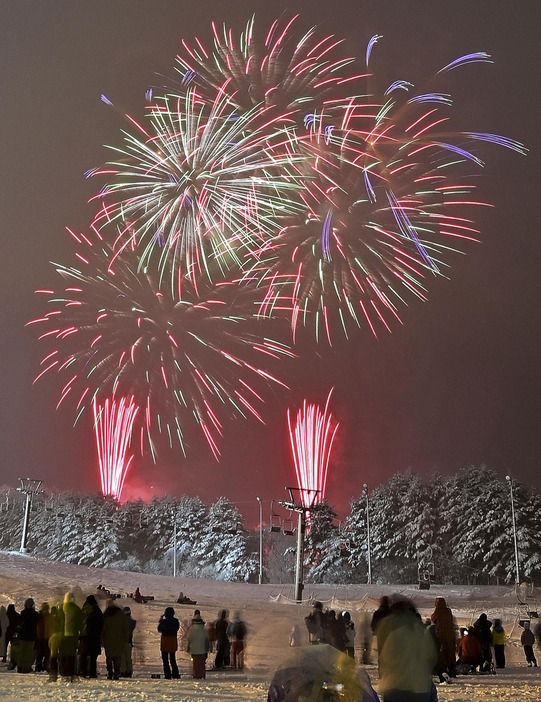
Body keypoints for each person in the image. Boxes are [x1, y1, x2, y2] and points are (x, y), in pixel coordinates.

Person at [376, 596, 437, 702]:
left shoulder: (392, 633)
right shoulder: (422, 633)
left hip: (394, 687)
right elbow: (431, 657)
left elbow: (385, 660)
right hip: (419, 688)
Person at [430, 596, 456, 682]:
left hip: (440, 636)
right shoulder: (448, 611)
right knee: (450, 652)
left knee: (442, 654)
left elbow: (433, 619)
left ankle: (443, 671)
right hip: (450, 635)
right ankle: (452, 668)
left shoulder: (437, 611)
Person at [102, 599, 129, 680]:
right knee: (117, 656)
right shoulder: (120, 614)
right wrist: (126, 638)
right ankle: (117, 673)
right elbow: (125, 627)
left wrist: (102, 639)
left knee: (109, 657)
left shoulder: (105, 615)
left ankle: (110, 673)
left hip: (108, 639)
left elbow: (103, 629)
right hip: (119, 638)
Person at [78, 595, 103, 678]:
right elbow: (101, 624)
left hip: (84, 636)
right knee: (93, 657)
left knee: (83, 655)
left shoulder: (84, 610)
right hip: (95, 636)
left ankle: (83, 672)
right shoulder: (98, 611)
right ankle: (92, 672)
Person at [62, 592, 82, 680]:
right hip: (73, 634)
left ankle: (63, 670)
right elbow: (80, 622)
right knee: (72, 654)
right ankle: (72, 671)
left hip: (63, 635)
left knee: (64, 654)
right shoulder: (76, 609)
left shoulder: (62, 608)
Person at [17, 598, 39, 673]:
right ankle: (26, 668)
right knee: (28, 653)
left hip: (23, 636)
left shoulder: (23, 613)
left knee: (22, 652)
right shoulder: (35, 614)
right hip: (31, 636)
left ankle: (19, 667)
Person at [157, 607, 180, 679]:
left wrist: (160, 621)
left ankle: (167, 675)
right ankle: (175, 674)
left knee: (165, 660)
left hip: (165, 642)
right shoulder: (176, 621)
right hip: (173, 641)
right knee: (173, 660)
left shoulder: (163, 622)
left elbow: (159, 629)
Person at [187, 609, 209, 679]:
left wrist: (188, 647)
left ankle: (196, 674)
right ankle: (202, 674)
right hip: (202, 649)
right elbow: (206, 639)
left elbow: (189, 638)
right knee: (202, 663)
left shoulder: (191, 629)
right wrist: (207, 648)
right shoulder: (204, 629)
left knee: (195, 663)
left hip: (194, 649)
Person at [48, 604, 65, 682]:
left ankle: (53, 673)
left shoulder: (53, 618)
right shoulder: (64, 617)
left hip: (54, 637)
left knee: (53, 657)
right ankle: (62, 672)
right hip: (62, 636)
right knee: (62, 656)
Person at [35, 602, 51, 672]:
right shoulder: (49, 616)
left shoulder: (39, 616)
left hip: (40, 636)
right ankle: (45, 665)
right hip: (46, 636)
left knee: (40, 653)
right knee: (47, 652)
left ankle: (38, 665)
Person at [121, 606, 136, 677]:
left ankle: (123, 671)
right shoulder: (132, 622)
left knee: (123, 657)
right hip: (129, 641)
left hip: (123, 641)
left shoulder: (122, 622)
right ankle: (129, 671)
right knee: (128, 657)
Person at [5, 603, 20, 670]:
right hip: (14, 633)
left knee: (5, 645)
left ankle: (4, 657)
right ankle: (12, 658)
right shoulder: (17, 615)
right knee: (13, 647)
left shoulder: (5, 615)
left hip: (6, 632)